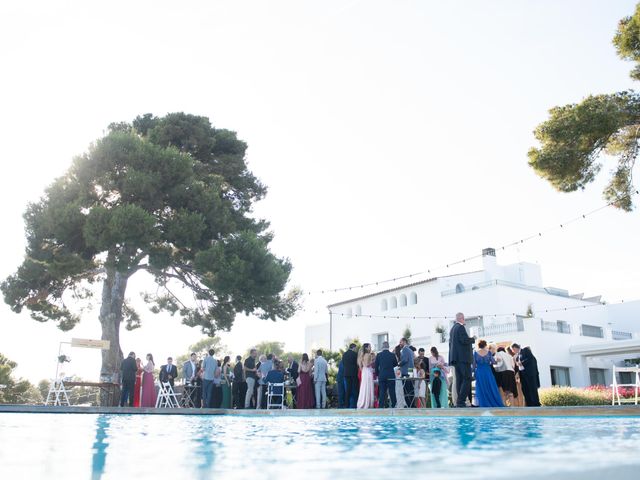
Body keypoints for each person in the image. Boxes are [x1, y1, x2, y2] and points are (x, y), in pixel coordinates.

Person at [449, 312, 476, 407]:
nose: (464, 320)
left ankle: (459, 402)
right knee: (467, 378)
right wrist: (473, 339)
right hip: (463, 359)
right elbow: (464, 340)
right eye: (464, 318)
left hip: (456, 359)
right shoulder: (460, 327)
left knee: (459, 380)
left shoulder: (452, 329)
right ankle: (461, 401)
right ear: (461, 318)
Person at [473, 339, 504, 407]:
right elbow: (493, 362)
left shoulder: (475, 353)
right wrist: (497, 360)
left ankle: (483, 403)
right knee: (491, 386)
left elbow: (474, 365)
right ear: (485, 345)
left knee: (481, 387)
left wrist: (474, 373)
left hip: (480, 372)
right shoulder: (488, 353)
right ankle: (493, 401)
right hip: (488, 371)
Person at [375, 341, 398, 408]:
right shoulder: (392, 355)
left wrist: (378, 374)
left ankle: (381, 406)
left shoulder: (379, 355)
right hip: (391, 375)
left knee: (382, 391)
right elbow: (395, 365)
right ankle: (394, 405)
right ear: (388, 347)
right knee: (392, 391)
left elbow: (376, 366)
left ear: (382, 347)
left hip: (382, 376)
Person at [357, 344, 375, 409]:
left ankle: (362, 402)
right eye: (370, 347)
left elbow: (362, 365)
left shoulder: (362, 355)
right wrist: (372, 361)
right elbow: (367, 364)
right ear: (367, 348)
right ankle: (367, 403)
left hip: (364, 371)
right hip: (368, 371)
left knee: (364, 387)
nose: (370, 348)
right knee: (368, 386)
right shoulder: (368, 355)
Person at [399, 338, 415, 407]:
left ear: (404, 342)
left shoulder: (404, 350)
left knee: (406, 389)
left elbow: (405, 360)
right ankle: (412, 404)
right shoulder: (411, 350)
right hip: (411, 370)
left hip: (405, 371)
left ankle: (409, 404)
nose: (399, 343)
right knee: (411, 388)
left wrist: (399, 363)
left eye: (400, 342)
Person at [342, 343, 359, 409]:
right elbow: (357, 364)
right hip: (354, 374)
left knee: (348, 390)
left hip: (346, 374)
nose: (356, 349)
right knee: (355, 389)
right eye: (356, 348)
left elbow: (343, 363)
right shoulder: (355, 354)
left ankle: (347, 405)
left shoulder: (344, 354)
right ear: (354, 348)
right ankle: (355, 404)